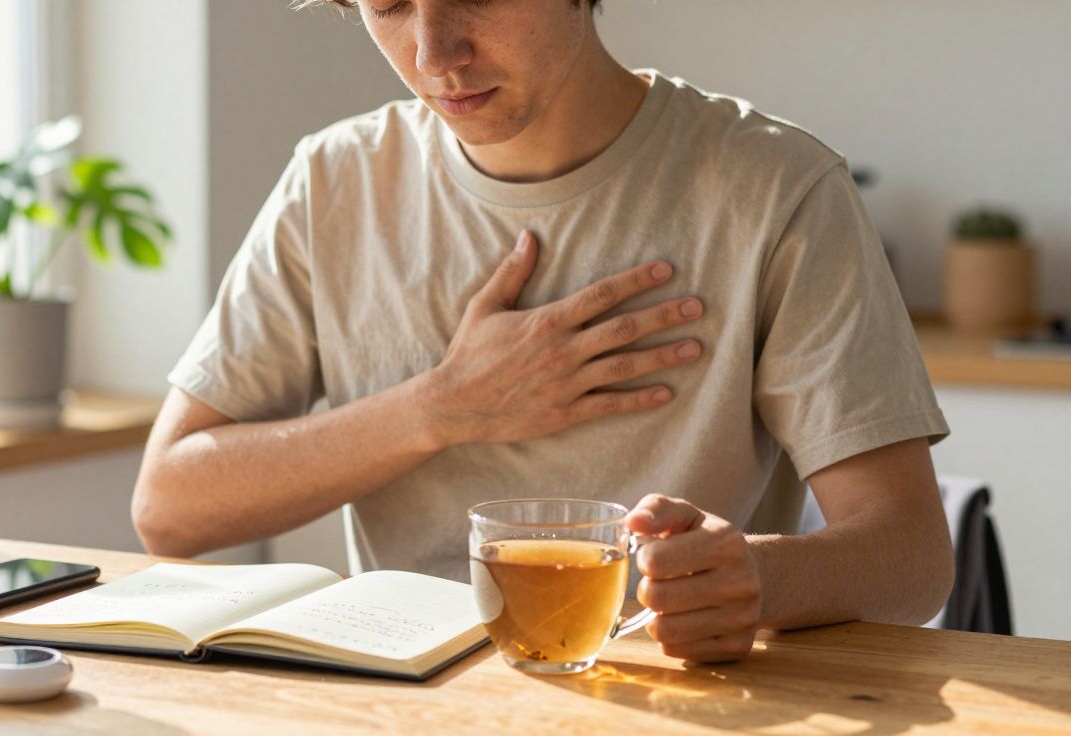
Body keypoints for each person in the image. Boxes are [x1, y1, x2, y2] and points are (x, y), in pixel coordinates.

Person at [132, 0, 954, 664]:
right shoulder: (334, 181)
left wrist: (758, 578)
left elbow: (912, 557)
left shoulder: (778, 189)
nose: (434, 53)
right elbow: (169, 507)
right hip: (403, 703)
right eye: (388, 5)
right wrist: (441, 408)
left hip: (662, 695)